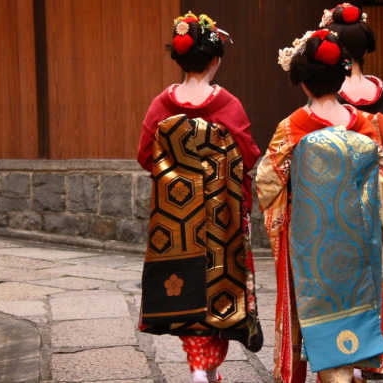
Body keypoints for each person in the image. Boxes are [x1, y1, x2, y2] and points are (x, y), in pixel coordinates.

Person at [256, 29, 383, 383]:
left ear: (303, 83)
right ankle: (356, 366)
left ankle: (333, 370)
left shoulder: (293, 128)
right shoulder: (366, 125)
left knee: (318, 316)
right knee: (359, 310)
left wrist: (292, 211)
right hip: (361, 245)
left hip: (313, 249)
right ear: (341, 78)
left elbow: (267, 183)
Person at [136, 12, 262, 383]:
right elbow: (249, 155)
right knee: (217, 287)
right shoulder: (228, 105)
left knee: (184, 289)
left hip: (177, 220)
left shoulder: (162, 104)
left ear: (178, 59)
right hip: (222, 217)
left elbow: (146, 155)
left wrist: (181, 173)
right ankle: (205, 369)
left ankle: (197, 367)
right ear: (215, 60)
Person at [324, 2, 383, 331]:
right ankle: (382, 327)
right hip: (377, 189)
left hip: (337, 192)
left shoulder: (329, 96)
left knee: (343, 268)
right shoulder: (382, 92)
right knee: (379, 263)